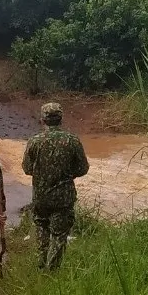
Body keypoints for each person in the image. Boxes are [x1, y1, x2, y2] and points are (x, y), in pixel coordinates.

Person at [22, 102, 89, 271]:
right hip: (63, 198)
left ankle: (41, 263)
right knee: (59, 235)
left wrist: (43, 174)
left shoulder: (34, 141)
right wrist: (67, 174)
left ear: (42, 120)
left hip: (41, 197)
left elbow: (27, 169)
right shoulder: (72, 140)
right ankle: (52, 271)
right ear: (61, 119)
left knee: (41, 228)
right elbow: (83, 169)